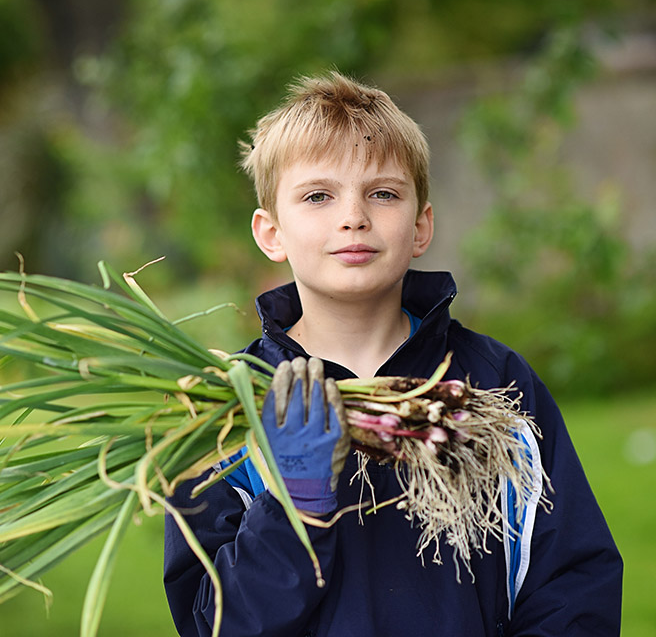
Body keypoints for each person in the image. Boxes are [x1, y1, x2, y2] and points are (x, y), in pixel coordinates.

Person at [163, 71, 622, 636]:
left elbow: (573, 587)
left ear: (420, 226)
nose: (353, 216)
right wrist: (294, 507)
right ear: (270, 232)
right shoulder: (225, 413)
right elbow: (214, 625)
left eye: (382, 193)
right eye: (318, 196)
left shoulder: (493, 383)